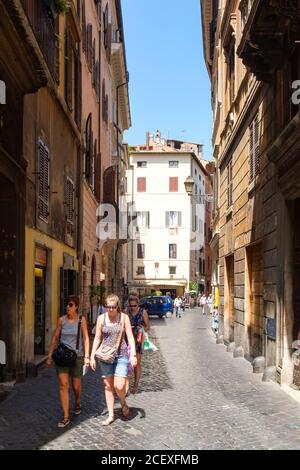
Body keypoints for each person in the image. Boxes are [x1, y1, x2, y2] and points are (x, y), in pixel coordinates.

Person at [90, 294, 137, 426]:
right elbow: (98, 338)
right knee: (108, 386)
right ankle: (111, 415)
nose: (110, 309)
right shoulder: (101, 318)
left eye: (113, 307)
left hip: (121, 355)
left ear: (118, 307)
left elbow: (131, 338)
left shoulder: (124, 318)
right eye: (108, 307)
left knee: (119, 385)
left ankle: (122, 402)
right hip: (105, 356)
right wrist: (92, 355)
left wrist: (133, 354)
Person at [47, 296, 90, 428]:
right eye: (66, 305)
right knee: (63, 385)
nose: (68, 307)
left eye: (70, 305)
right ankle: (66, 416)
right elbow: (55, 338)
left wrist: (87, 356)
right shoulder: (61, 320)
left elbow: (86, 339)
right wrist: (49, 356)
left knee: (76, 386)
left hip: (77, 357)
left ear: (76, 307)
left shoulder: (82, 320)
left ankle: (77, 401)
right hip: (62, 357)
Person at [125, 294, 150, 396]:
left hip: (138, 339)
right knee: (127, 364)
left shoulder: (143, 312)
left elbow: (148, 326)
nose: (132, 307)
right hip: (128, 339)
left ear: (138, 305)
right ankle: (127, 386)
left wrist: (142, 328)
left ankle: (135, 385)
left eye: (134, 305)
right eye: (131, 305)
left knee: (137, 364)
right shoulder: (126, 312)